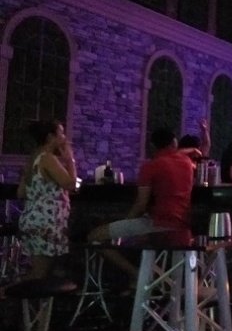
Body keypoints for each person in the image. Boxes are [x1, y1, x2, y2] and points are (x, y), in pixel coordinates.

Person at [88, 127, 196, 287]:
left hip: (158, 224)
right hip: (182, 227)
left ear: (152, 146)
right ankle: (153, 281)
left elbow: (141, 204)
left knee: (94, 237)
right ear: (174, 143)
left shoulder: (151, 166)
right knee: (139, 239)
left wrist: (126, 225)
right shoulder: (187, 163)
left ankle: (138, 275)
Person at [16, 120, 77, 279]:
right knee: (39, 275)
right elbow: (70, 184)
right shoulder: (48, 158)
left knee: (42, 273)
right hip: (46, 222)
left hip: (33, 218)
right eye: (61, 133)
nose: (64, 137)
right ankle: (6, 291)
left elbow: (21, 193)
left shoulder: (33, 158)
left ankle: (16, 292)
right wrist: (70, 160)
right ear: (50, 137)